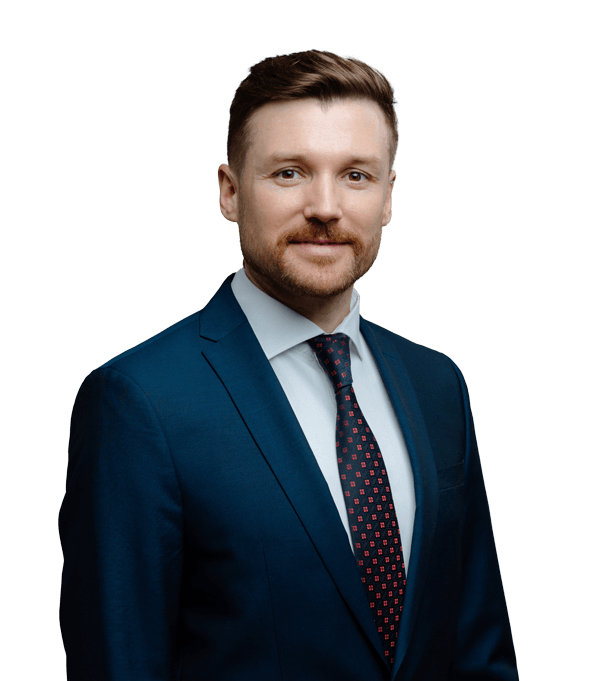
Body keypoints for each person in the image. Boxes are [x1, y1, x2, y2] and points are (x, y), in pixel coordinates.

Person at [59, 50, 518, 680]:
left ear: (388, 196)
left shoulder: (438, 384)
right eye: (290, 173)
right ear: (229, 192)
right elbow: (120, 662)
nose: (325, 206)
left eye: (355, 175)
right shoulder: (138, 401)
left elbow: (479, 649)